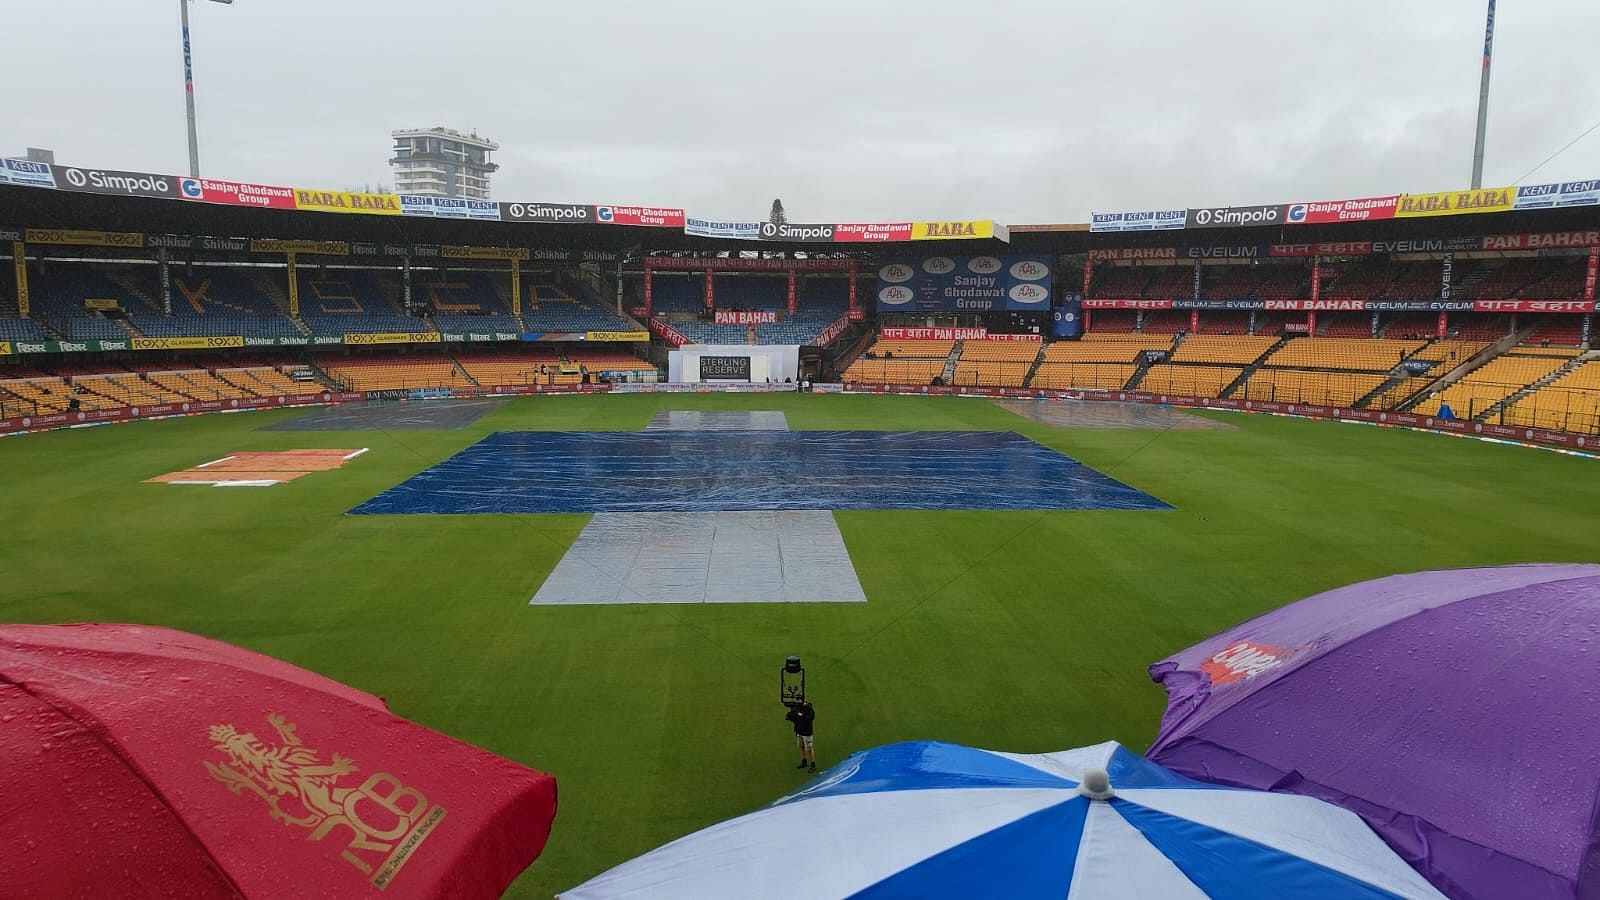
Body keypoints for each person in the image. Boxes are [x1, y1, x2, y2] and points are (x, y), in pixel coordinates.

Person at [785, 699, 816, 772]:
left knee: (809, 748)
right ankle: (804, 761)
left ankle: (813, 764)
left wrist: (802, 715)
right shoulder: (797, 708)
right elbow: (792, 717)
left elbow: (811, 718)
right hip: (799, 731)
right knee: (802, 747)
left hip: (807, 731)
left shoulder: (809, 708)